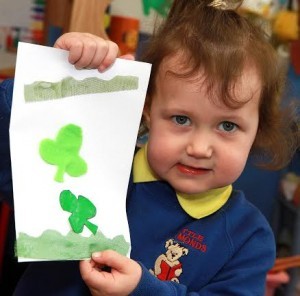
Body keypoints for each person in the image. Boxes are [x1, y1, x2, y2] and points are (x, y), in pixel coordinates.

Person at [2, 0, 299, 295]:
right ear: (147, 111)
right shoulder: (94, 163)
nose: (199, 148)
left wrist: (142, 290)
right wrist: (62, 78)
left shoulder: (249, 237)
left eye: (228, 126)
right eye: (181, 119)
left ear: (257, 131)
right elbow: (12, 165)